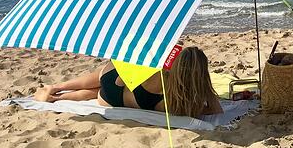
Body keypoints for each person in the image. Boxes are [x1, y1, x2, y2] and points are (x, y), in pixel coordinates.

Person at [34, 46, 223, 118]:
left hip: (112, 80)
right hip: (109, 100)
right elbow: (215, 110)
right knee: (96, 93)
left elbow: (119, 77)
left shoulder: (158, 71)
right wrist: (205, 89)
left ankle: (56, 88)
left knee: (104, 76)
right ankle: (57, 99)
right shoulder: (177, 104)